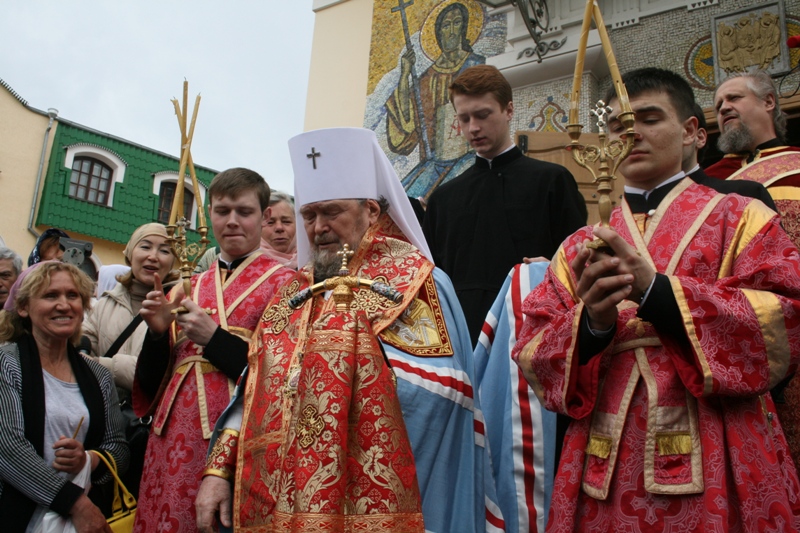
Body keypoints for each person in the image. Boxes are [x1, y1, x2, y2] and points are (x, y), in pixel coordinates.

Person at [512, 67, 800, 531]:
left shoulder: (740, 215)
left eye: (648, 119)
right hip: (604, 447)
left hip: (717, 434)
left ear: (691, 132)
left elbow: (785, 314)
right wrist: (594, 323)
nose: (631, 135)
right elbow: (532, 349)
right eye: (617, 127)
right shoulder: (578, 245)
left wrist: (657, 291)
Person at [196, 128, 492, 533]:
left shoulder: (416, 282)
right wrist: (217, 471)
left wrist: (331, 382)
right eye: (309, 215)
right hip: (284, 498)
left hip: (377, 498)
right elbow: (254, 385)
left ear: (371, 210)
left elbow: (444, 393)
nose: (318, 228)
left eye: (331, 212)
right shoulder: (293, 293)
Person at [131, 169, 295, 533]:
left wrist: (214, 339)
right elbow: (151, 383)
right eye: (222, 211)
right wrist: (157, 335)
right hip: (169, 435)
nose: (232, 221)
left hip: (231, 435)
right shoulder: (188, 286)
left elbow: (280, 375)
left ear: (263, 216)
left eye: (244, 211)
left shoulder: (288, 284)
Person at [423, 64, 587, 346]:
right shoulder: (443, 199)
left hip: (535, 333)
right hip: (461, 337)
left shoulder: (552, 181)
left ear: (509, 110)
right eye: (464, 119)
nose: (473, 127)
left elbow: (578, 264)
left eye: (483, 115)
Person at [0, 261, 129, 533]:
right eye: (50, 296)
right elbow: (7, 448)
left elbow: (118, 447)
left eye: (73, 296)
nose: (64, 305)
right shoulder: (7, 364)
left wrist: (88, 459)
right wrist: (77, 505)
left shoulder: (97, 375)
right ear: (23, 308)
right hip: (17, 515)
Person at [82, 224, 178, 499]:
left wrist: (100, 364)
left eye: (165, 250)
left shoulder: (178, 304)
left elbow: (161, 374)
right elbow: (78, 350)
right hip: (100, 423)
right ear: (129, 252)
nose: (153, 256)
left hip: (149, 429)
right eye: (145, 246)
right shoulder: (104, 304)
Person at [387, 0, 485, 199]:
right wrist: (405, 75)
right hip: (432, 164)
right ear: (438, 32)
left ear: (464, 28)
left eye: (456, 23)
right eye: (445, 25)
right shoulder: (425, 78)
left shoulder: (477, 66)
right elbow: (407, 129)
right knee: (406, 201)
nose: (451, 31)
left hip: (468, 160)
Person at [705, 71, 800, 246]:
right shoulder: (704, 181)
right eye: (718, 107)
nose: (724, 108)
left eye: (733, 98)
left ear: (768, 102)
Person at [684, 103, 776, 209]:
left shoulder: (746, 195)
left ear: (699, 137)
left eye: (660, 120)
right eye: (717, 107)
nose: (723, 108)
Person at [260, 190, 298, 269]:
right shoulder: (247, 266)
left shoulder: (313, 262)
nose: (279, 228)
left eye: (286, 221)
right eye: (270, 222)